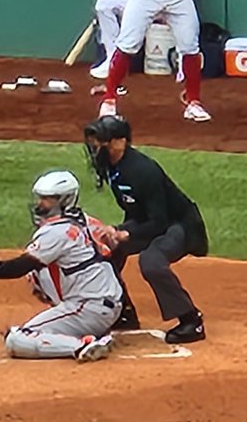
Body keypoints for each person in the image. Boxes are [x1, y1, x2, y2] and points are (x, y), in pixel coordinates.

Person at [0, 171, 120, 362]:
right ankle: (84, 328)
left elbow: (14, 269)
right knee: (39, 272)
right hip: (105, 305)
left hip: (87, 308)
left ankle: (85, 344)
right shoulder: (88, 220)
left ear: (65, 200)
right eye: (40, 198)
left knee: (17, 340)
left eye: (48, 199)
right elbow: (110, 253)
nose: (40, 204)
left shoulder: (56, 232)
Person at [84, 115, 208, 344]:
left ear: (120, 142)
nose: (96, 147)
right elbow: (136, 210)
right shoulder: (113, 166)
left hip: (179, 224)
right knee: (107, 252)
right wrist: (118, 232)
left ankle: (192, 320)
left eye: (102, 141)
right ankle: (123, 313)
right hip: (149, 222)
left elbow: (159, 221)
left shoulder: (143, 170)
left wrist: (127, 233)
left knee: (151, 261)